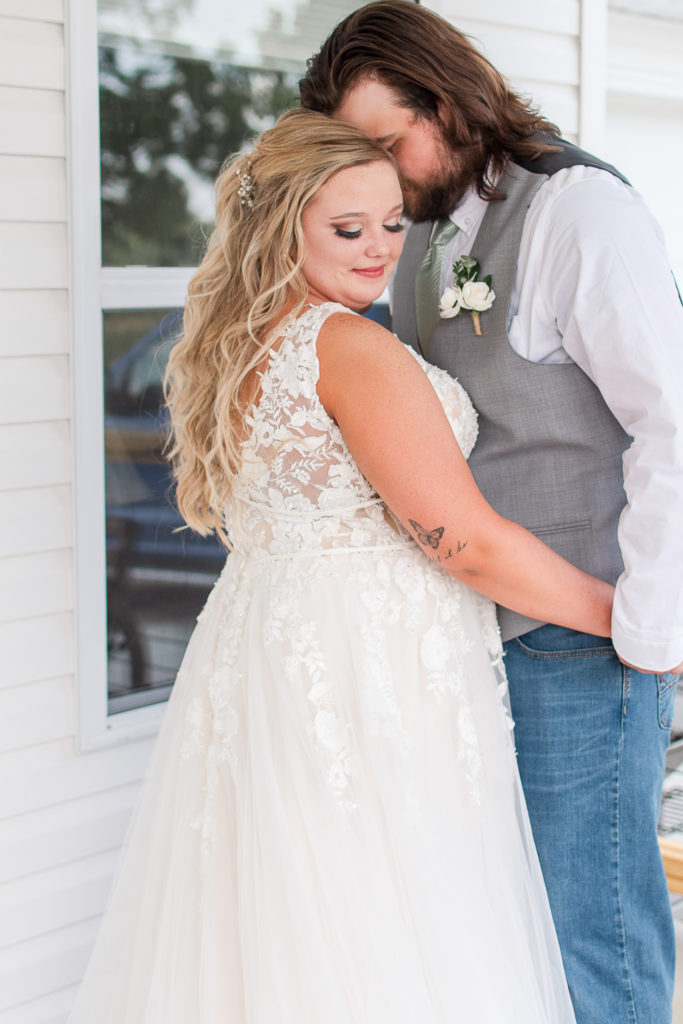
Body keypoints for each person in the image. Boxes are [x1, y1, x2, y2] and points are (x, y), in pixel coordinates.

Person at [67, 108, 616, 1024]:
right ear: (281, 226)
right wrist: (630, 617)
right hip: (367, 673)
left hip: (269, 651)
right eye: (347, 228)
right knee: (386, 925)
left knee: (289, 916)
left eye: (392, 223)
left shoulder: (232, 344)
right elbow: (462, 538)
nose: (379, 250)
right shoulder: (346, 347)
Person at [299, 5, 683, 1023]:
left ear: (449, 99)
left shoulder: (576, 214)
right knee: (502, 943)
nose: (379, 173)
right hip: (466, 646)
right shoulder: (416, 226)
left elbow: (672, 425)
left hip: (583, 646)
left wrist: (644, 632)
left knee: (591, 946)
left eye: (387, 142)